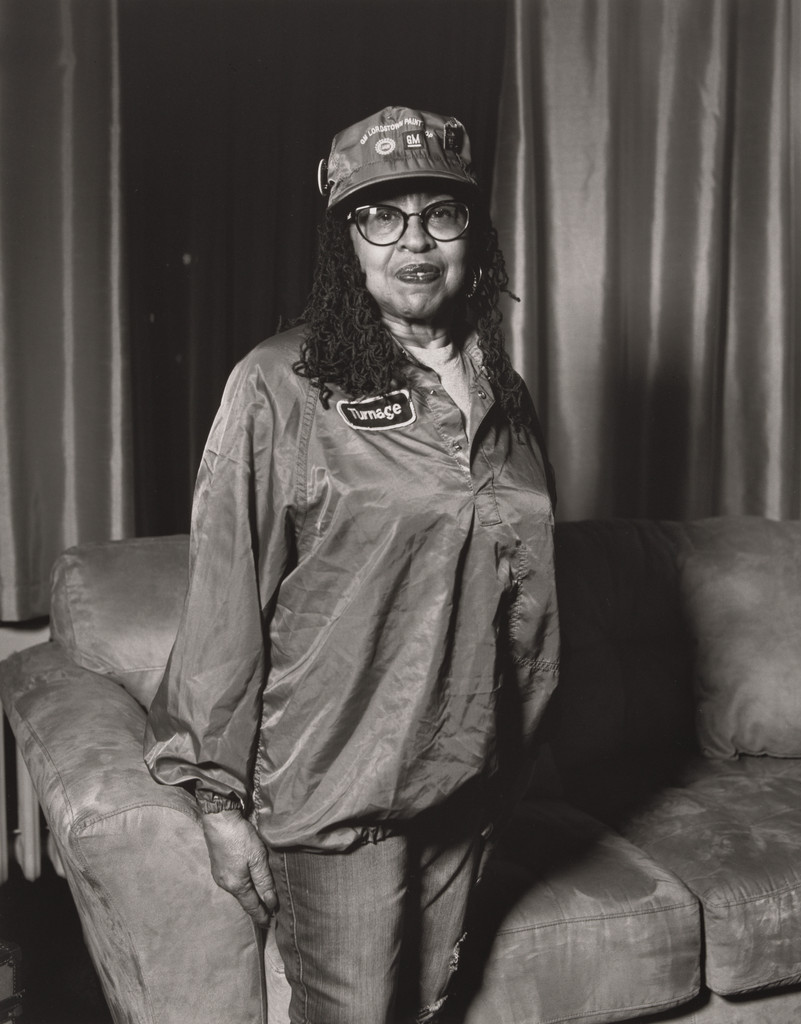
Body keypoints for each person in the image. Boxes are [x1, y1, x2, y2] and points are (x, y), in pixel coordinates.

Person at [144, 105, 560, 1024]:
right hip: (338, 790)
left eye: (439, 214)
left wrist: (512, 751)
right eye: (381, 215)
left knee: (429, 1004)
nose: (413, 240)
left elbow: (522, 587)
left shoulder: (503, 389)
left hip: (467, 776)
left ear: (473, 233)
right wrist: (217, 798)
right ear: (346, 242)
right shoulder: (278, 384)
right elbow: (225, 598)